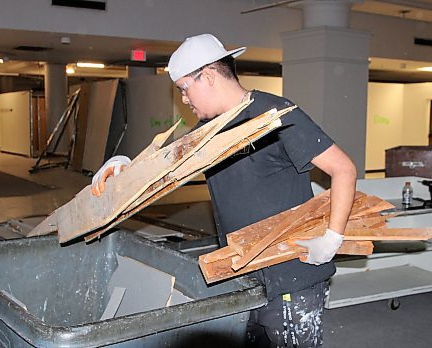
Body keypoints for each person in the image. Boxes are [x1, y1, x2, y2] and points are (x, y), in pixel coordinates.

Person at [93, 33, 357, 347]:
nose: (185, 100)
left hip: (291, 272)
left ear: (207, 77)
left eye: (184, 89)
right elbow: (162, 165)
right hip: (243, 272)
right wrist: (123, 164)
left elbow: (344, 169)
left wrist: (332, 238)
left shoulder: (277, 115)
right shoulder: (209, 130)